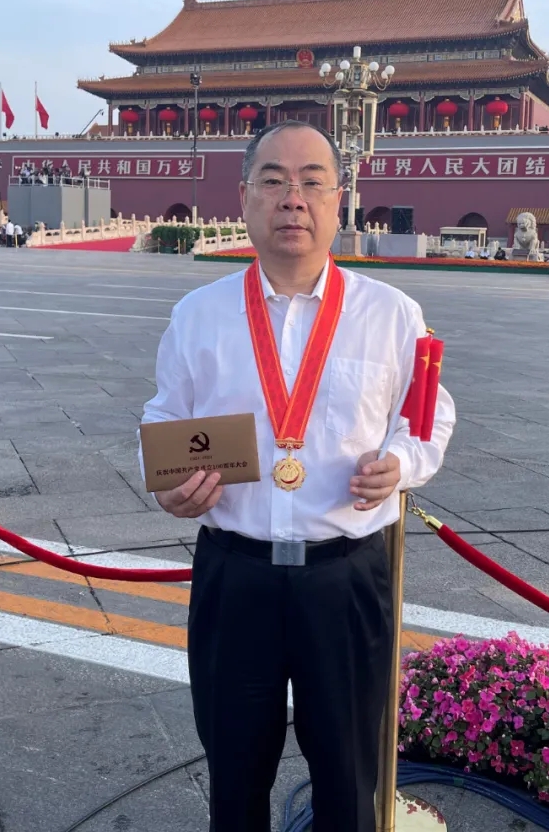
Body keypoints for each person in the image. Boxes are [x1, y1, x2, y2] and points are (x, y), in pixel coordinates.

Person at [141, 121, 455, 832]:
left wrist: (402, 464)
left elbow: (428, 416)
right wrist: (166, 485)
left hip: (345, 580)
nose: (294, 198)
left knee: (349, 776)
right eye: (274, 181)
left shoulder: (389, 314)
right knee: (234, 772)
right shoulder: (200, 315)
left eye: (313, 181)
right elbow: (164, 415)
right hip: (235, 576)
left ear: (338, 200)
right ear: (244, 198)